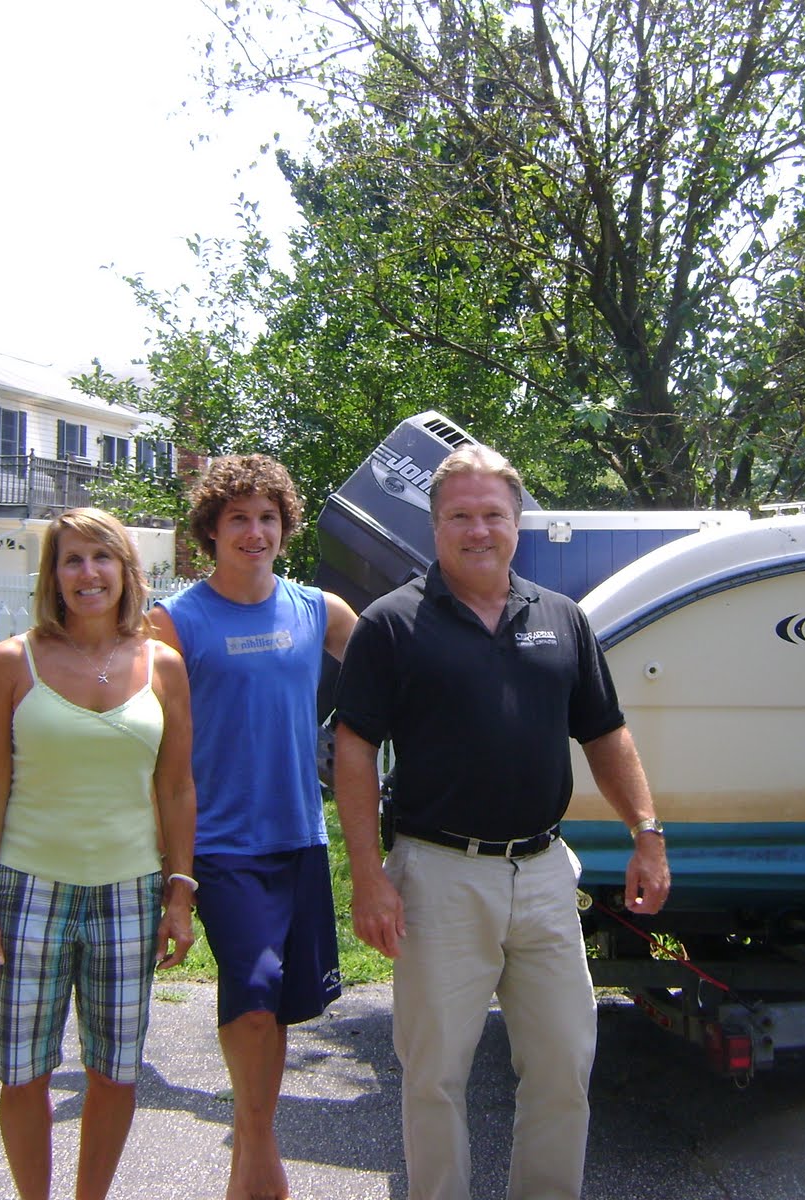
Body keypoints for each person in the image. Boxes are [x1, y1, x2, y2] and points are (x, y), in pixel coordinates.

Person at [333, 443, 671, 1200]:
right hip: (438, 874)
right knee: (435, 1075)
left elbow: (606, 733)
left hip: (547, 873)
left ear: (518, 522)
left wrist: (646, 832)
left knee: (561, 1065)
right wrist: (366, 877)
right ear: (434, 525)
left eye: (493, 514)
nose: (478, 529)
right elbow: (353, 750)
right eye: (460, 515)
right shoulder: (392, 625)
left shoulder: (562, 619)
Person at [0, 507, 197, 1200]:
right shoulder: (14, 662)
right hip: (26, 891)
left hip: (128, 894)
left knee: (115, 1070)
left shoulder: (165, 666)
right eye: (72, 560)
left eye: (102, 558)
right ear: (53, 575)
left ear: (127, 571)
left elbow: (178, 787)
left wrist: (179, 893)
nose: (87, 574)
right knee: (24, 1071)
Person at [148, 454, 357, 1200]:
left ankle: (251, 1151)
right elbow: (148, 742)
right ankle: (260, 1149)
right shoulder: (175, 621)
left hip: (299, 836)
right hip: (219, 844)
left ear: (285, 527)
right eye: (238, 517)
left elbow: (387, 673)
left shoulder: (315, 611)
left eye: (268, 516)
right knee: (255, 990)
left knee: (283, 1005)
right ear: (210, 528)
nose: (255, 530)